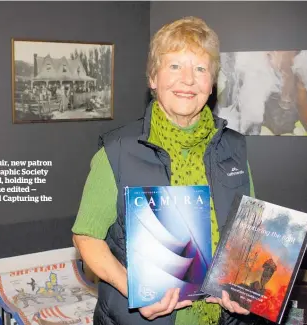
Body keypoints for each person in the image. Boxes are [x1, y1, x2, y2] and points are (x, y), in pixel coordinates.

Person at [72, 16, 260, 325]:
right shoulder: (118, 151)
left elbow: (246, 235)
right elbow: (86, 237)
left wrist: (244, 289)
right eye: (174, 66)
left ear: (211, 84)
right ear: (153, 78)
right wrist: (134, 289)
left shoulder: (234, 149)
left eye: (200, 69)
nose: (188, 80)